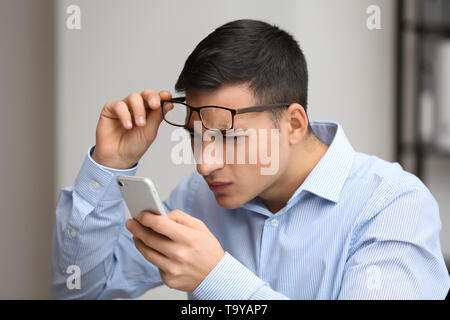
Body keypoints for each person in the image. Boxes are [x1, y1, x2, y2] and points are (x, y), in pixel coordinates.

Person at [51, 19, 450, 299]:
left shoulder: (392, 205)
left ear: (294, 123)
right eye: (196, 137)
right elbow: (82, 289)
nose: (204, 164)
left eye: (229, 137)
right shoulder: (197, 198)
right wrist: (111, 164)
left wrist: (215, 278)